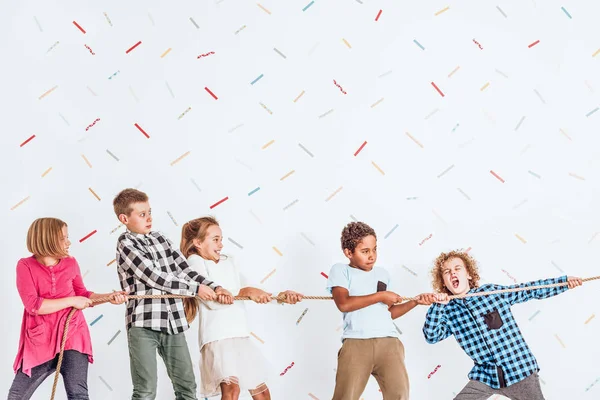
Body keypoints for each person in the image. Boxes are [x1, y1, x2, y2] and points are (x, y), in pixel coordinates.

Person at [113, 189, 231, 400]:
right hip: (143, 325)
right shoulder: (126, 244)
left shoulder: (161, 239)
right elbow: (153, 276)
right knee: (146, 390)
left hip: (173, 322)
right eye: (141, 214)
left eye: (149, 212)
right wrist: (195, 290)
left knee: (187, 386)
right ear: (124, 218)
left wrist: (214, 287)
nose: (149, 218)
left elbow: (185, 270)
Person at [423, 250, 583, 400]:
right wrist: (438, 305)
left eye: (457, 268)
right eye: (447, 272)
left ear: (469, 275)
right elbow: (431, 336)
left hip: (519, 370)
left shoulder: (491, 293)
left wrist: (564, 282)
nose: (453, 273)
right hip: (486, 376)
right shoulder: (447, 311)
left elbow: (530, 290)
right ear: (444, 283)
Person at [180, 216, 303, 400]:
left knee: (261, 392)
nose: (221, 245)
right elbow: (212, 301)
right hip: (218, 337)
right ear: (197, 242)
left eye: (221, 239)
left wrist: (281, 298)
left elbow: (251, 290)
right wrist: (246, 291)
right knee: (232, 390)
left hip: (239, 335)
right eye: (215, 240)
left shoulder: (229, 261)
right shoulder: (194, 262)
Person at [8, 217, 127, 400]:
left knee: (78, 395)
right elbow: (34, 306)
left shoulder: (71, 262)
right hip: (40, 341)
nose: (69, 242)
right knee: (16, 395)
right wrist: (72, 300)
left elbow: (84, 295)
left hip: (73, 337)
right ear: (48, 240)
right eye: (64, 238)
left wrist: (108, 298)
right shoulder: (25, 266)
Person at [326, 221, 435, 400]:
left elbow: (388, 313)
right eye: (365, 251)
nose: (372, 256)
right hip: (356, 343)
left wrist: (414, 302)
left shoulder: (383, 274)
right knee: (345, 396)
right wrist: (380, 296)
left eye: (375, 249)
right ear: (348, 253)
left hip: (389, 343)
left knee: (399, 395)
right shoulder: (340, 270)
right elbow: (343, 304)